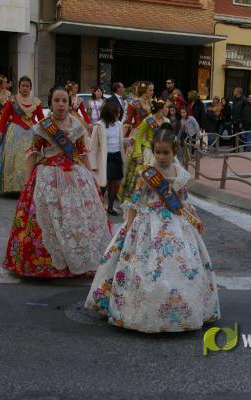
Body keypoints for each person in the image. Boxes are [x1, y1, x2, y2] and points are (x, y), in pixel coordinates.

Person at [85, 126, 220, 333]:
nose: (161, 156)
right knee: (143, 266)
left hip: (175, 223)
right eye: (158, 152)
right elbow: (136, 200)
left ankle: (179, 309)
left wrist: (194, 219)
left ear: (174, 151)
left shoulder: (181, 175)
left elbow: (183, 201)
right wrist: (129, 225)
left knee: (180, 265)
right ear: (153, 150)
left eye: (166, 152)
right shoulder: (146, 173)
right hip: (147, 223)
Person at [3, 85, 111, 278]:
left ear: (69, 104)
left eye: (64, 101)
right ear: (50, 103)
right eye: (57, 100)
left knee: (75, 219)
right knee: (46, 220)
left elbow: (82, 154)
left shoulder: (77, 126)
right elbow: (33, 154)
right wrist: (27, 182)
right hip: (47, 177)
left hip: (74, 176)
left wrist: (91, 177)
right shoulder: (42, 126)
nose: (61, 104)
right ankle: (46, 265)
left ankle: (77, 261)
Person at [0, 75, 44, 193]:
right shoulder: (12, 100)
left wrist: (47, 134)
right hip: (14, 133)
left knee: (31, 158)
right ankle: (13, 186)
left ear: (30, 88)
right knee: (14, 158)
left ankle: (29, 186)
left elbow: (42, 120)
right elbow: (4, 117)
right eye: (23, 86)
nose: (25, 88)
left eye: (27, 86)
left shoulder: (36, 102)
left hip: (32, 134)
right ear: (19, 87)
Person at [120, 97, 167, 204]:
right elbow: (138, 137)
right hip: (149, 150)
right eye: (166, 107)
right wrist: (138, 154)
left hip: (163, 151)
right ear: (160, 109)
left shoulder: (166, 121)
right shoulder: (148, 120)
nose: (168, 109)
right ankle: (138, 201)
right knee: (143, 176)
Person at [90, 101, 124, 216]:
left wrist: (128, 142)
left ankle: (110, 208)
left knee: (114, 183)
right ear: (110, 113)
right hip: (104, 158)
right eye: (117, 113)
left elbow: (119, 140)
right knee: (102, 184)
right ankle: (98, 207)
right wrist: (93, 164)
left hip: (116, 155)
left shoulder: (119, 124)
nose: (119, 115)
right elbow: (93, 146)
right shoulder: (99, 125)